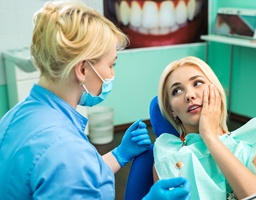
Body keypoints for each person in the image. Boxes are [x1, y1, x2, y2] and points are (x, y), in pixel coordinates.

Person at [0, 1, 191, 199]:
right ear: (82, 70)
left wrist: (120, 154)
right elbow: (70, 168)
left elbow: (74, 178)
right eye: (111, 65)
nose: (112, 74)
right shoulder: (65, 150)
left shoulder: (16, 116)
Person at [152, 56, 256, 199]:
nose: (190, 95)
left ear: (216, 90)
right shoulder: (166, 158)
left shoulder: (252, 143)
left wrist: (210, 137)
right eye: (177, 91)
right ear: (171, 110)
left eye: (197, 83)